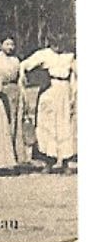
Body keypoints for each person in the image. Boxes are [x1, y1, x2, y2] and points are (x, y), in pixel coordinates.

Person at [22, 37, 77, 171]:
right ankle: (48, 161)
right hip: (49, 89)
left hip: (64, 89)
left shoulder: (69, 56)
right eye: (54, 42)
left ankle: (65, 161)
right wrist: (26, 76)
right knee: (47, 124)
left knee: (64, 125)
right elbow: (26, 64)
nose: (57, 46)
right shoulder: (43, 54)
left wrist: (73, 95)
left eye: (60, 42)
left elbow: (76, 75)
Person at [0, 37, 25, 160]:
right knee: (3, 119)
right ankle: (1, 154)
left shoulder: (16, 60)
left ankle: (14, 153)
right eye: (7, 44)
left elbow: (19, 77)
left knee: (14, 120)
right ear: (1, 45)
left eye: (12, 44)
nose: (10, 47)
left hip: (13, 90)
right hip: (1, 89)